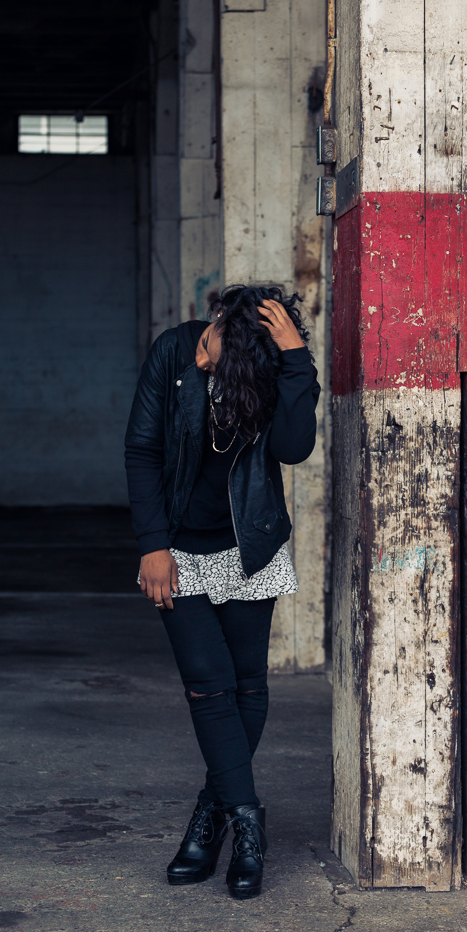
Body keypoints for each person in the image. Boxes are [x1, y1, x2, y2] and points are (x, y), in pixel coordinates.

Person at [123, 283, 320, 900]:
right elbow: (142, 450)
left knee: (247, 685)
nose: (205, 359)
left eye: (218, 357)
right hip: (178, 549)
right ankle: (248, 821)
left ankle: (212, 818)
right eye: (208, 344)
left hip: (247, 547)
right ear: (210, 321)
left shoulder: (264, 372)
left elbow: (294, 447)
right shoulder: (173, 352)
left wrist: (295, 358)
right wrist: (153, 544)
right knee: (208, 685)